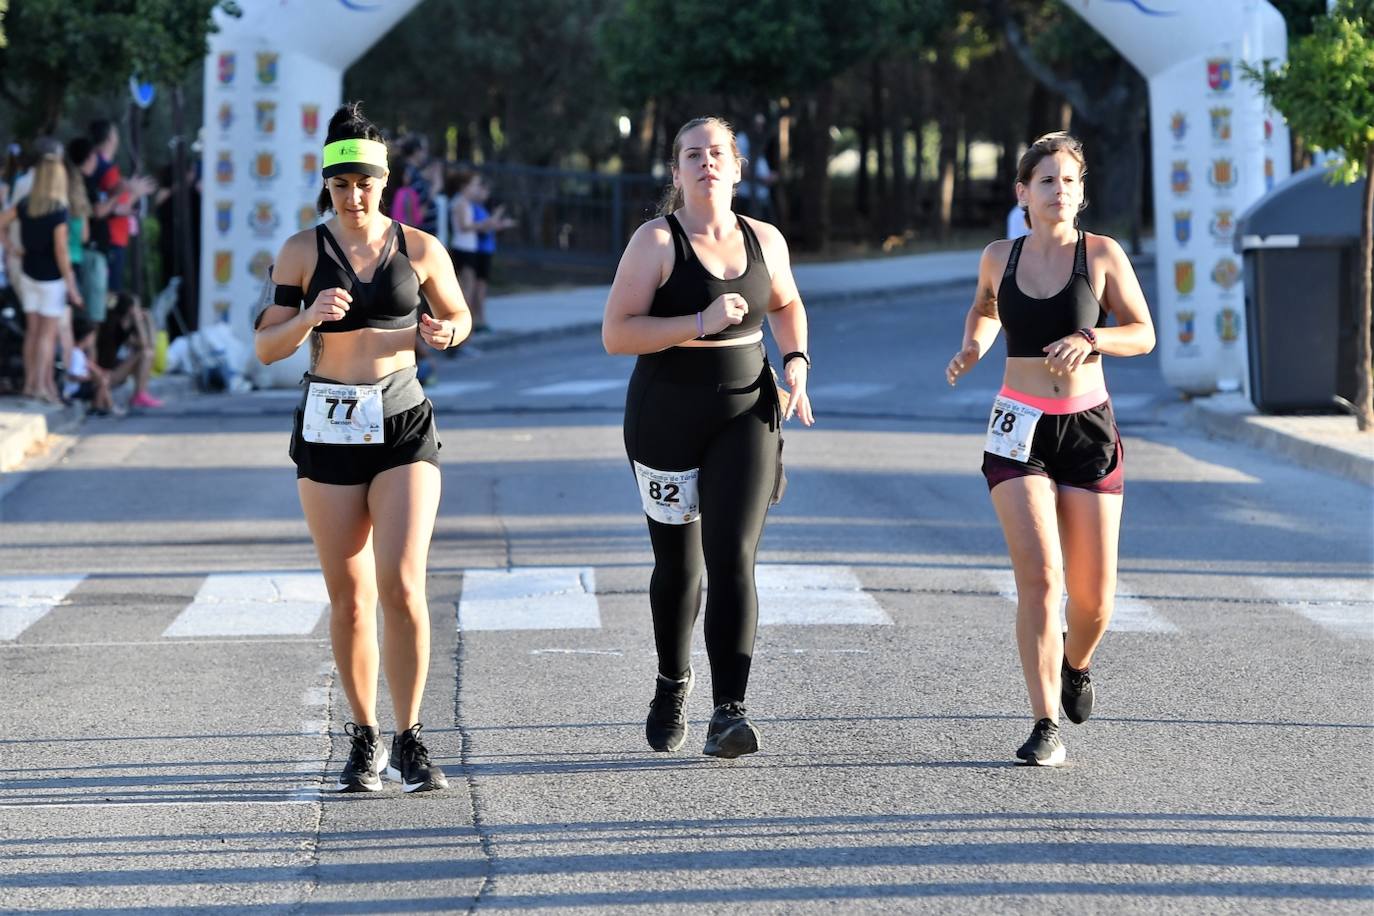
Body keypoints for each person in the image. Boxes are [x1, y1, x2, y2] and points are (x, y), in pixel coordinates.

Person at [254, 102, 470, 793]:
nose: (354, 196)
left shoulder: (421, 248)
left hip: (403, 421)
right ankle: (364, 736)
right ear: (328, 185)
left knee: (403, 586)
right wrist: (308, 318)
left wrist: (447, 333)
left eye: (366, 183)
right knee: (349, 598)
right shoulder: (299, 251)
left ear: (384, 181)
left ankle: (411, 737)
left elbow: (459, 314)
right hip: (329, 423)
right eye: (342, 185)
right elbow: (264, 346)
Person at [602, 116, 815, 759]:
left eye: (717, 152)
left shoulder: (764, 239)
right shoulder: (656, 241)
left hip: (746, 412)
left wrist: (798, 361)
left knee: (732, 556)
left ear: (738, 165)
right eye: (692, 155)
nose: (706, 163)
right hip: (664, 415)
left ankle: (730, 711)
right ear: (676, 172)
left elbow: (786, 304)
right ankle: (672, 682)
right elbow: (617, 334)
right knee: (679, 564)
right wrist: (698, 319)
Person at [945, 131, 1155, 767]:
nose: (1059, 191)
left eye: (1069, 181)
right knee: (1040, 577)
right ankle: (1042, 724)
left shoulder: (1104, 255)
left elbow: (1143, 334)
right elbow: (985, 309)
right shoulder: (998, 257)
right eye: (1047, 182)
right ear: (1023, 193)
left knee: (1093, 601)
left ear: (1081, 193)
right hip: (1018, 427)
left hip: (1087, 428)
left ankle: (1076, 661)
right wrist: (973, 347)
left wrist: (1092, 337)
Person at [0, 146, 83, 403]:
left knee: (32, 333)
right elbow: (61, 251)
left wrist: (12, 248)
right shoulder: (59, 211)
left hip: (28, 273)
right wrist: (72, 285)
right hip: (51, 279)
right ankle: (40, 387)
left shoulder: (26, 205)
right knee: (47, 335)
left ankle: (29, 384)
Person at [449, 170, 514, 335]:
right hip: (463, 249)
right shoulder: (461, 202)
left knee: (469, 289)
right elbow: (465, 226)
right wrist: (487, 223)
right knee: (466, 291)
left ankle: (467, 328)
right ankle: (463, 328)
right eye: (474, 185)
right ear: (465, 186)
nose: (476, 189)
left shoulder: (464, 202)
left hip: (469, 249)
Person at [96, 292, 162, 409]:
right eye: (137, 308)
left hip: (114, 372)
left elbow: (152, 344)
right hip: (107, 375)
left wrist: (149, 321)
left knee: (147, 354)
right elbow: (145, 345)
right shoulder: (114, 327)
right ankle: (140, 394)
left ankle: (141, 393)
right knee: (145, 354)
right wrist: (139, 322)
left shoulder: (127, 328)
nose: (140, 310)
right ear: (130, 309)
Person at [64, 312, 119, 415]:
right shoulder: (76, 354)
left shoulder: (80, 353)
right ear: (86, 337)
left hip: (79, 387)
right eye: (93, 336)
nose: (93, 340)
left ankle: (107, 406)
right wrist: (91, 377)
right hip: (74, 390)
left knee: (102, 378)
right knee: (101, 381)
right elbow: (73, 376)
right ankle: (99, 406)